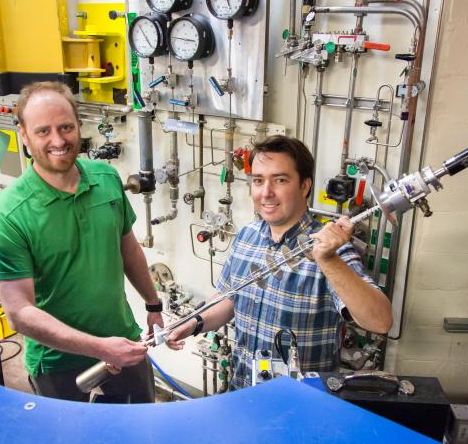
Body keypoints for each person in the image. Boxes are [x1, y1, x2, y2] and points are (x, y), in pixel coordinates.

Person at [0, 81, 163, 403]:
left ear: (78, 126)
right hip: (58, 365)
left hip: (125, 345)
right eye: (43, 131)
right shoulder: (8, 215)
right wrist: (101, 347)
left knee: (142, 432)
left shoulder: (107, 180)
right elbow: (19, 313)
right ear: (23, 135)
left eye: (66, 127)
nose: (58, 140)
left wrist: (152, 304)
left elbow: (128, 247)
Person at [167, 135, 393, 389]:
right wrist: (193, 322)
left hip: (300, 406)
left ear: (304, 186)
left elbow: (380, 321)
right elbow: (230, 298)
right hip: (241, 391)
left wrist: (329, 261)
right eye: (258, 181)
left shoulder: (330, 251)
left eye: (280, 180)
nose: (266, 193)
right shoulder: (247, 235)